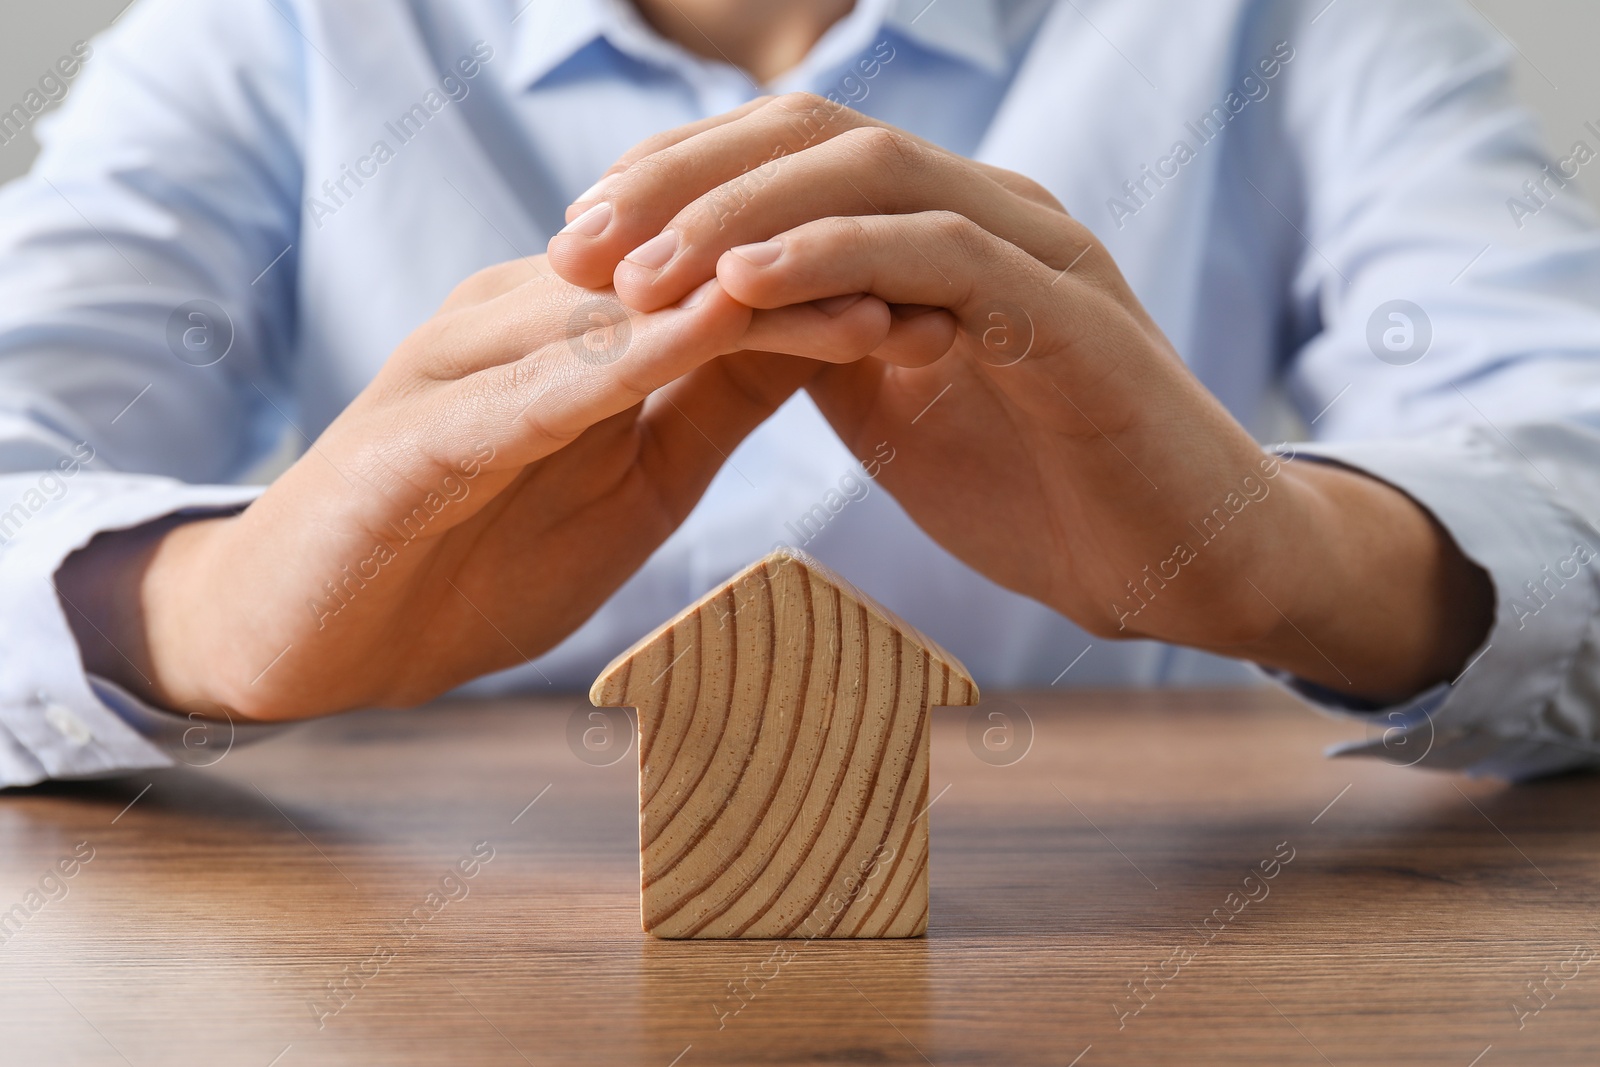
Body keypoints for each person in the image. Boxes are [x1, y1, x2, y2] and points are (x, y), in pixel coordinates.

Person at [1, 0, 1598, 789]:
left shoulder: (1297, 24)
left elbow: (1572, 453)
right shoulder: (267, 31)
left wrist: (1297, 564)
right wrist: (212, 613)